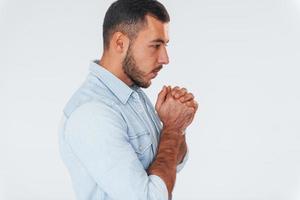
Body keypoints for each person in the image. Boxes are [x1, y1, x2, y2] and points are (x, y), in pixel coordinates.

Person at [58, 0, 198, 199]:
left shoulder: (132, 92)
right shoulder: (92, 114)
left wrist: (178, 126)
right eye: (155, 45)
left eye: (165, 45)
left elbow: (174, 163)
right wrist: (172, 129)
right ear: (120, 43)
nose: (165, 58)